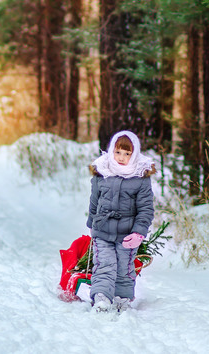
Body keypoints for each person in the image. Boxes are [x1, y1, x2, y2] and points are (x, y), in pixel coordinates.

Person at [86, 130, 155, 312]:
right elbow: (94, 200)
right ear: (111, 150)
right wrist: (91, 223)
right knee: (104, 264)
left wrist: (139, 232)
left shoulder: (140, 177)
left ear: (134, 154)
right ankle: (101, 297)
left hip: (127, 234)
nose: (121, 157)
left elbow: (146, 208)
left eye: (127, 153)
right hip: (102, 229)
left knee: (124, 267)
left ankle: (122, 299)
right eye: (118, 152)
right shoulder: (102, 171)